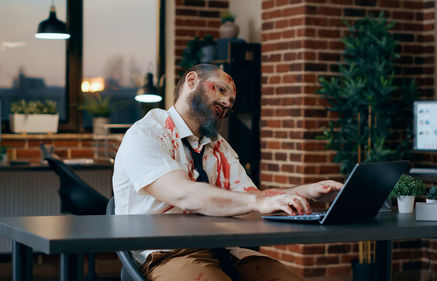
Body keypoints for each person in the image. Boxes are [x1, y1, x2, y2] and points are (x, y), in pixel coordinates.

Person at [112, 64, 343, 281]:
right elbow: (184, 194)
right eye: (220, 90)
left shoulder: (218, 146)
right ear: (192, 80)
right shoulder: (146, 133)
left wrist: (306, 193)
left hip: (226, 250)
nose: (227, 103)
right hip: (168, 252)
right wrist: (256, 202)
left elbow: (251, 205)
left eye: (231, 102)